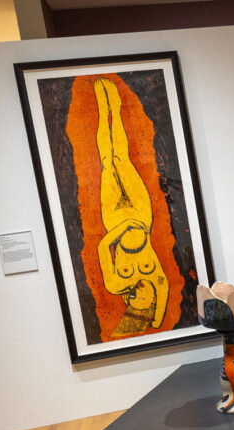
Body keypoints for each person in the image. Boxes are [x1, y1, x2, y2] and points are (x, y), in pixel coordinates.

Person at [94, 78, 169, 337]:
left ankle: (103, 114)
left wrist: (122, 227)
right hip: (141, 215)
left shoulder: (116, 285)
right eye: (143, 297)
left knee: (107, 162)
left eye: (133, 297)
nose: (137, 290)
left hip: (114, 220)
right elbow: (163, 294)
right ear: (150, 302)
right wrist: (156, 320)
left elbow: (103, 247)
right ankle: (114, 108)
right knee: (121, 159)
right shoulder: (156, 278)